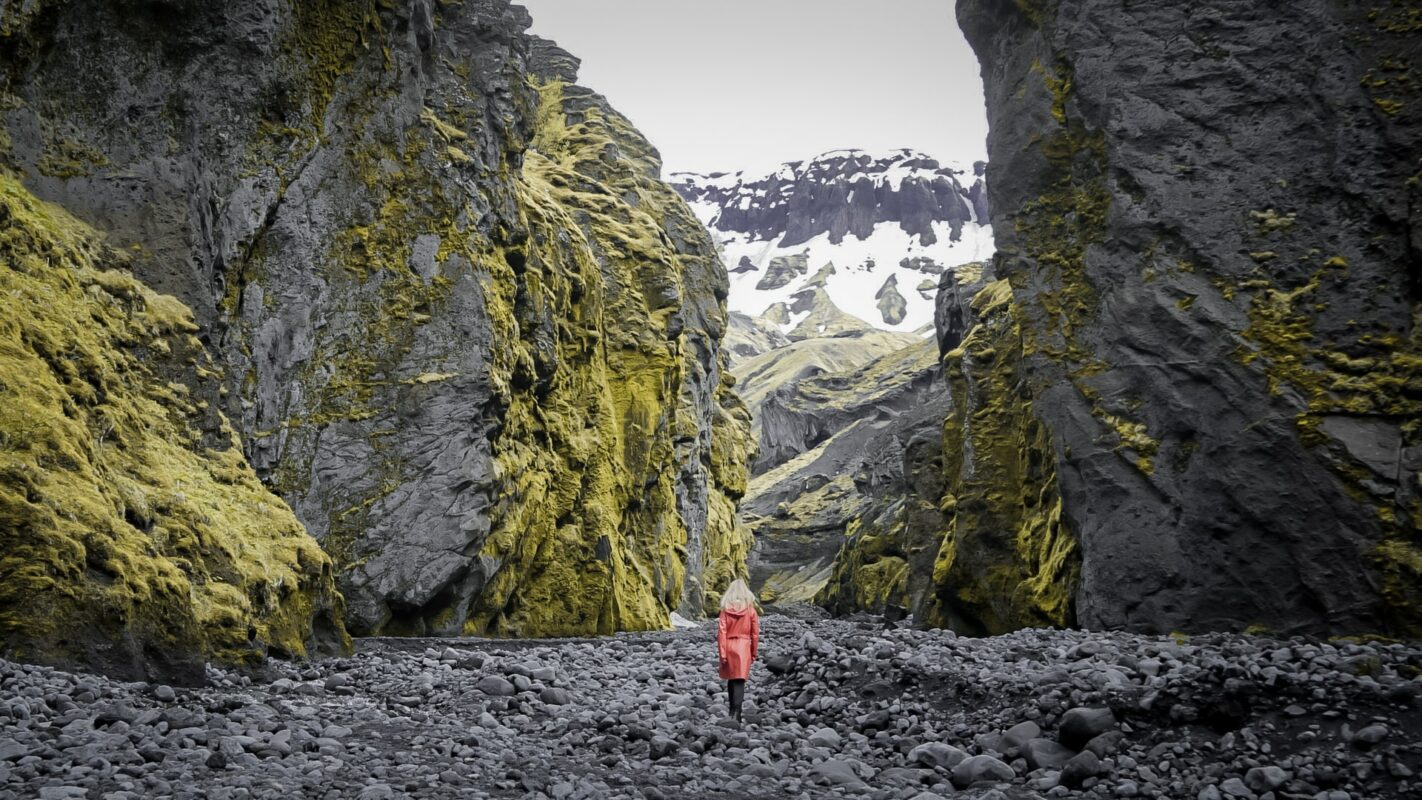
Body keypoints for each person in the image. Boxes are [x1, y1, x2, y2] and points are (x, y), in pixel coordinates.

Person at [716, 578, 760, 722]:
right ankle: (737, 713)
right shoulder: (750, 610)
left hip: (729, 645)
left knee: (731, 678)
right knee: (739, 680)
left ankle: (731, 711)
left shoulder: (725, 609)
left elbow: (721, 633)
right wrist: (754, 652)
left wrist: (722, 653)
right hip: (743, 646)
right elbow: (755, 633)